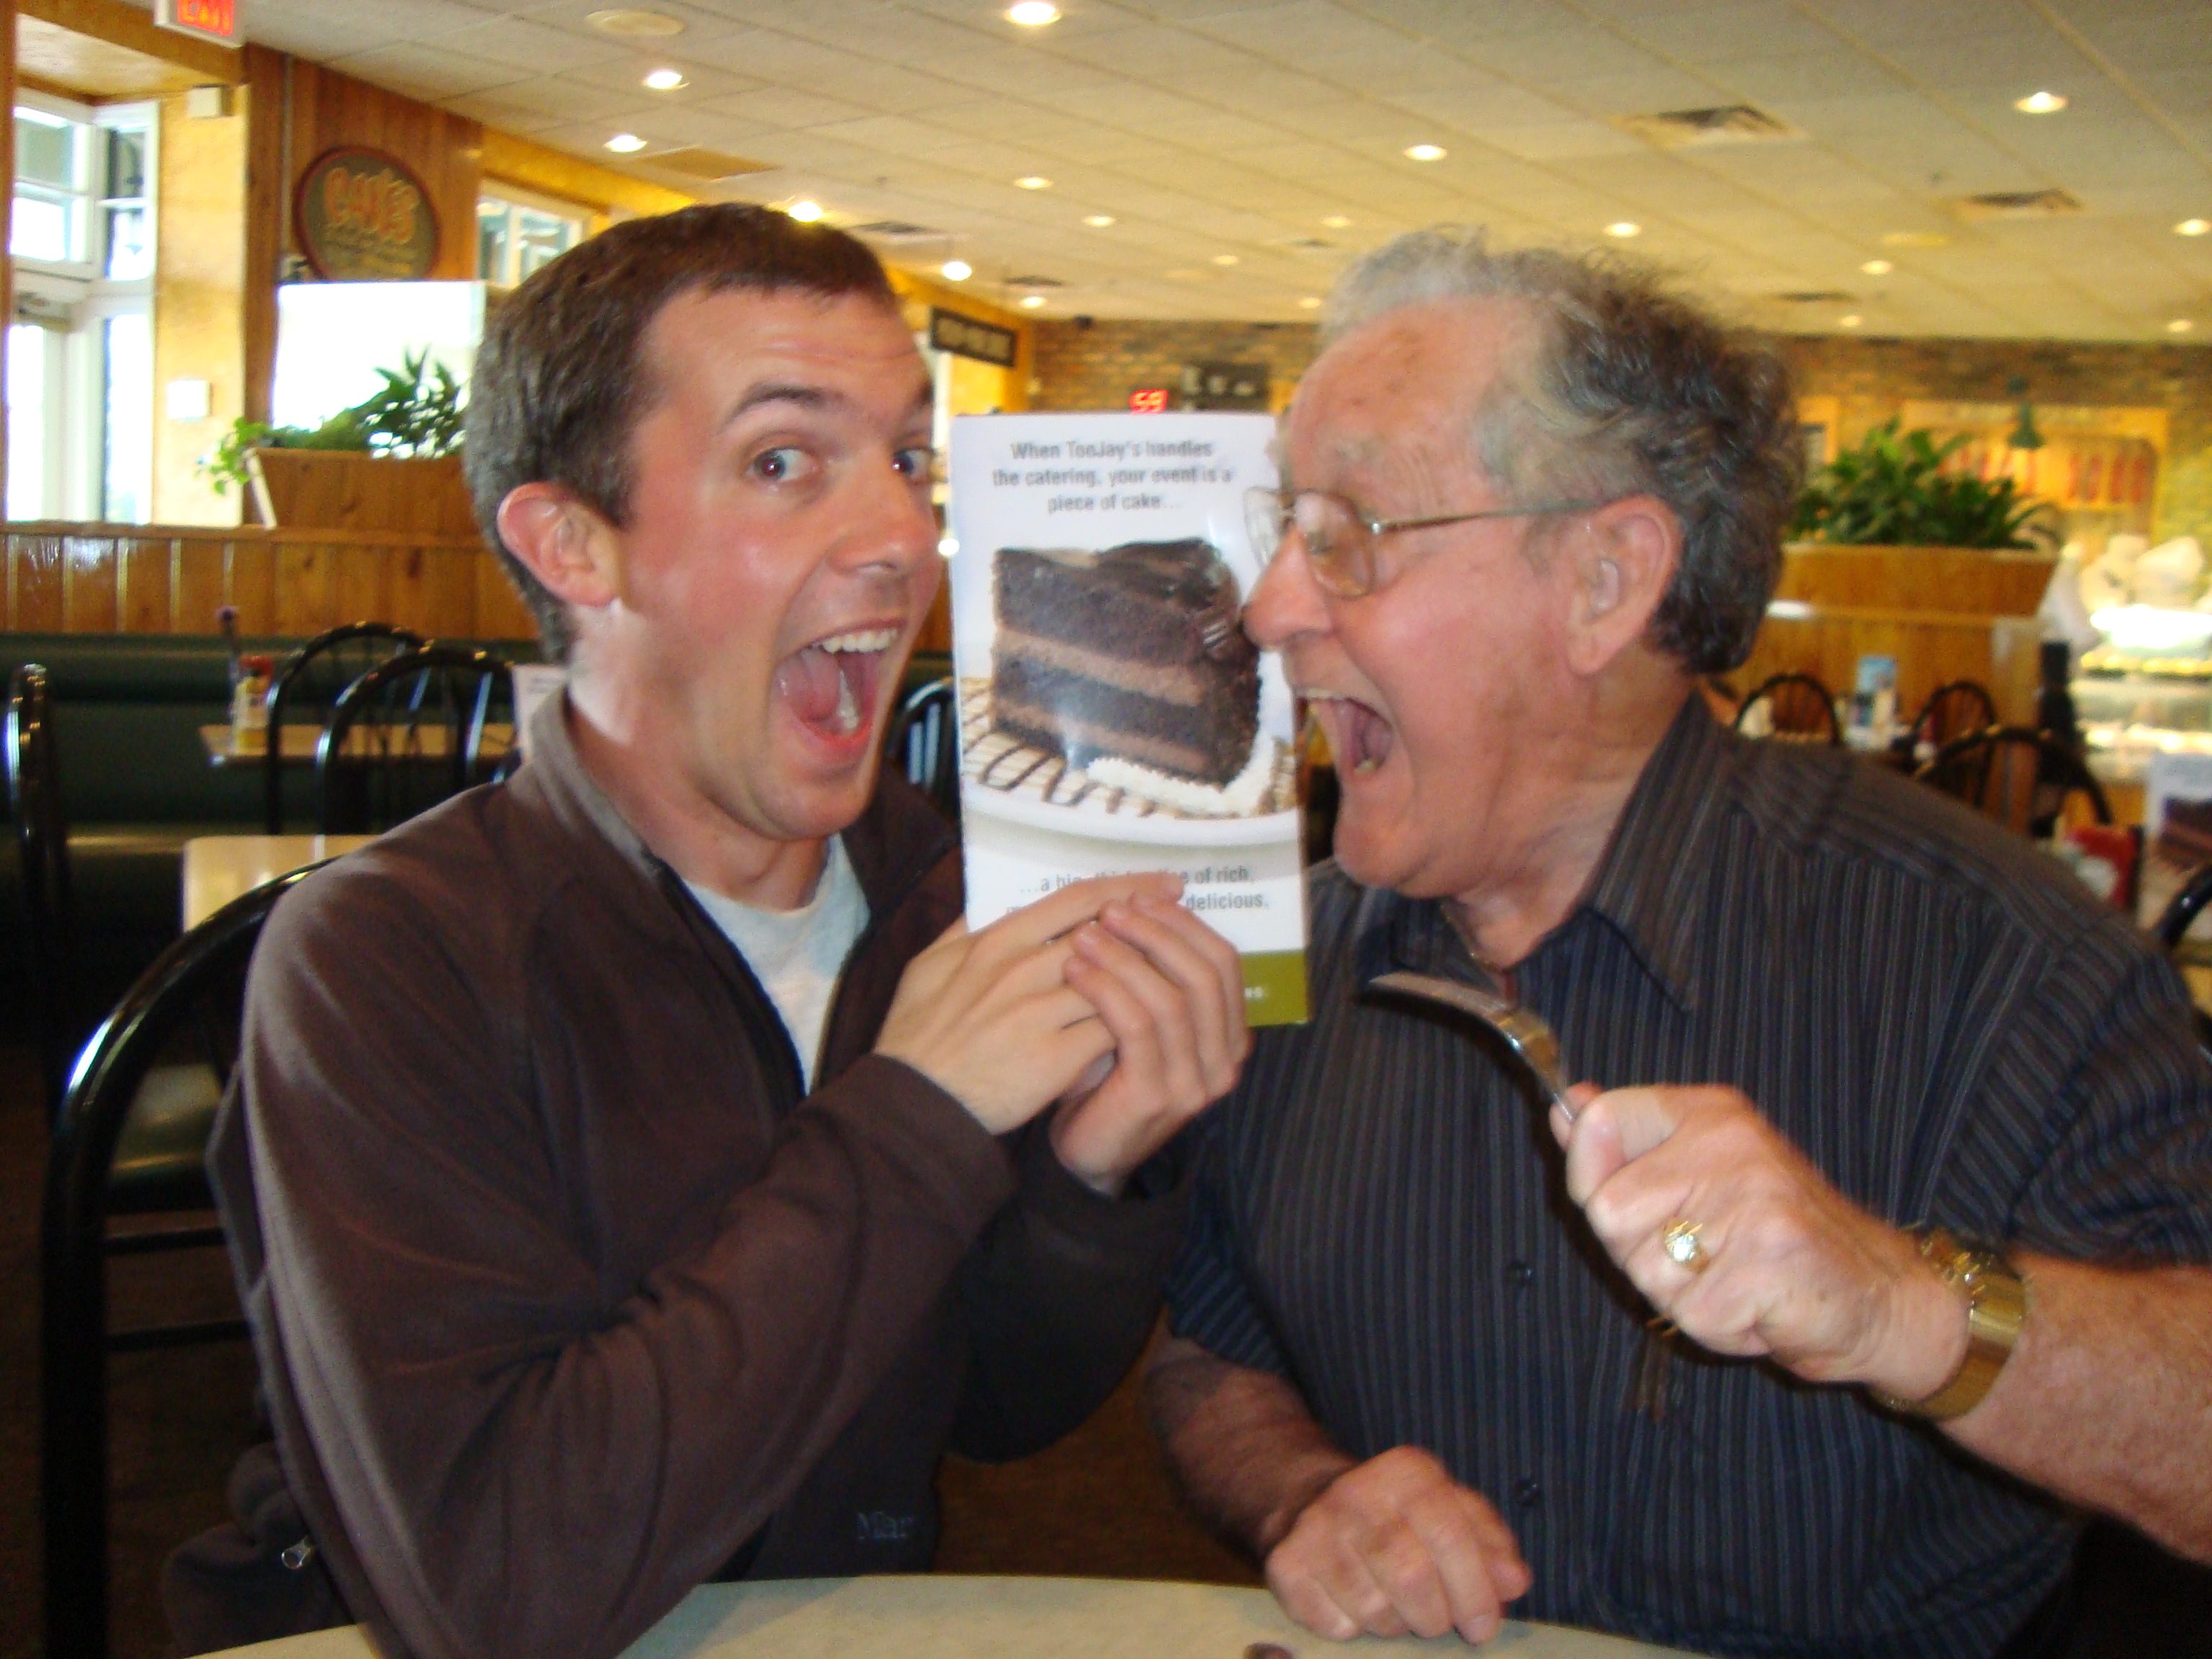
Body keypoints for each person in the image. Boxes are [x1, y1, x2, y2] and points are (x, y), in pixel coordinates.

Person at [165, 204, 1250, 1659]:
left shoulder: (944, 905)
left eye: (909, 461)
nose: (903, 537)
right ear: (574, 544)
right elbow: (499, 1583)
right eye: (783, 461)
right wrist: (918, 1115)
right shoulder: (384, 960)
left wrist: (1092, 1179)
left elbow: (988, 1405)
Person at [1146, 226, 2212, 1659]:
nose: (1272, 608)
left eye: (1348, 534)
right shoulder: (1292, 963)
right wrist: (1306, 1494)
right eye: (1288, 529)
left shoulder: (2004, 965)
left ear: (1606, 580)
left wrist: (1905, 1307)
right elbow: (1209, 1348)